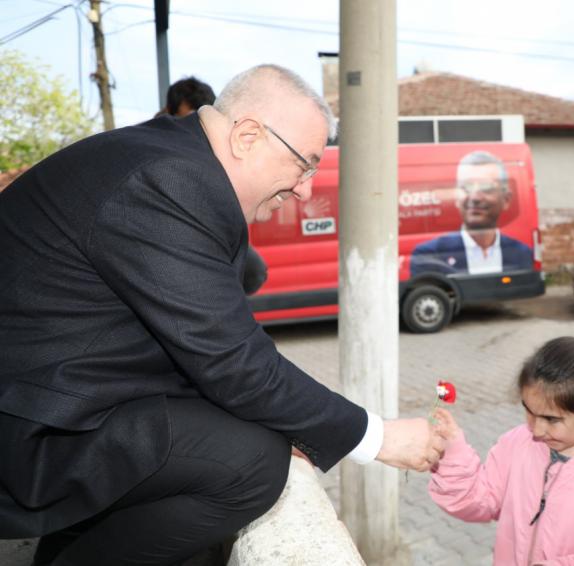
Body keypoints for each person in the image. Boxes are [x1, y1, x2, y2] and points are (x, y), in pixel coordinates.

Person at [0, 64, 445, 565]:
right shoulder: (171, 180)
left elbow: (215, 341)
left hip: (55, 401)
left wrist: (295, 424)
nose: (304, 189)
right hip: (29, 429)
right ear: (248, 136)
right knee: (250, 465)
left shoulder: (170, 158)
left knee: (236, 457)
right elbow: (236, 363)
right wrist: (378, 437)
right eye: (304, 164)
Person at [429, 336, 574, 565]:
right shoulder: (516, 444)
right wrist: (452, 453)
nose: (536, 429)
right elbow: (479, 500)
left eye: (551, 419)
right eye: (529, 411)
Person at [160, 75, 268, 295]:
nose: (193, 131)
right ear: (169, 114)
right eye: (186, 120)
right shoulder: (156, 150)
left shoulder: (222, 149)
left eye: (200, 121)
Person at [409, 150, 533, 277]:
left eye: (486, 188)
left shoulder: (523, 254)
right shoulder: (430, 255)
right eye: (466, 187)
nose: (474, 197)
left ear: (506, 199)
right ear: (456, 198)